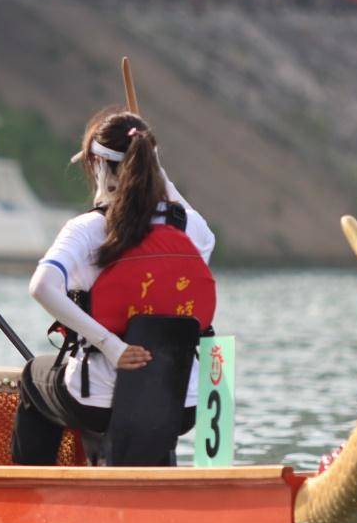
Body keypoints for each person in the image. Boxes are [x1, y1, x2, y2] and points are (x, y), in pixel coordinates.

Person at [14, 110, 216, 466]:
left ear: (96, 166)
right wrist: (159, 176)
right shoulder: (193, 228)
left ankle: (31, 507)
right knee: (150, 408)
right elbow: (196, 229)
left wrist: (112, 346)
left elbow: (41, 287)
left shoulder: (88, 229)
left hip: (98, 401)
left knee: (34, 378)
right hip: (182, 402)